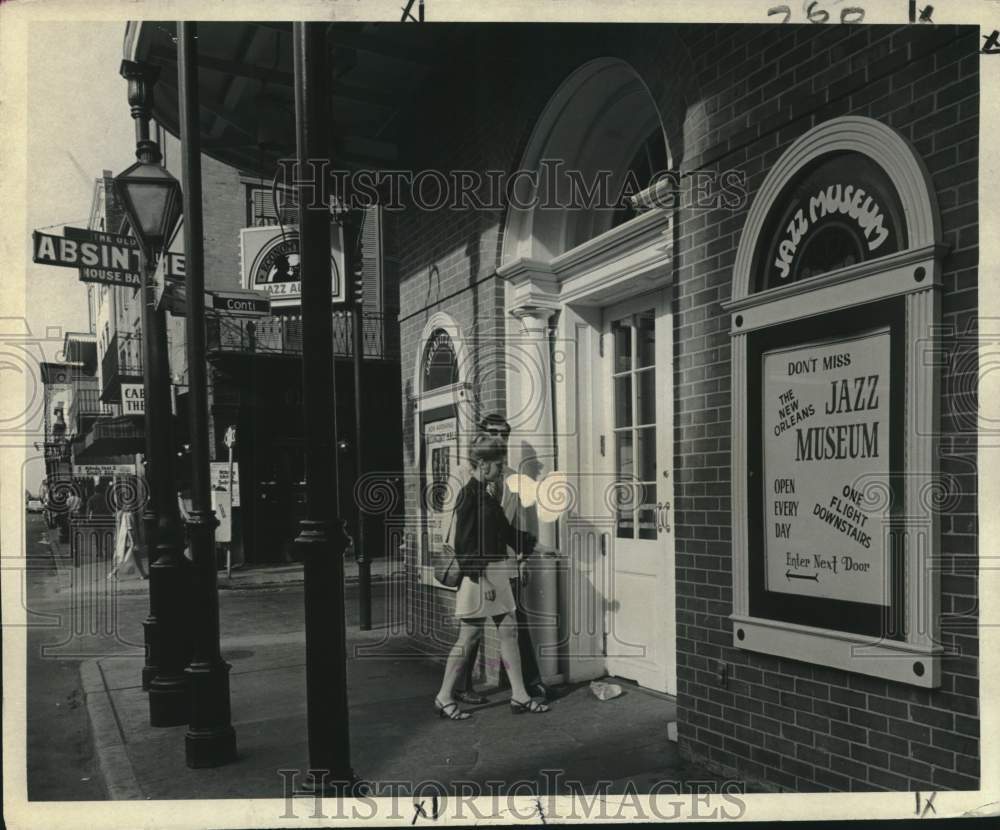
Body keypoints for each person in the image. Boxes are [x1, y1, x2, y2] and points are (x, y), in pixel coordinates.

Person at [433, 433, 550, 720]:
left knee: (508, 630)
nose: (502, 469)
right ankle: (445, 696)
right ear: (483, 465)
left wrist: (534, 546)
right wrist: (482, 581)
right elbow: (465, 546)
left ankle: (520, 695)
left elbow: (504, 532)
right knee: (470, 636)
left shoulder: (485, 492)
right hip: (482, 577)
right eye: (498, 464)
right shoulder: (470, 496)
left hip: (494, 572)